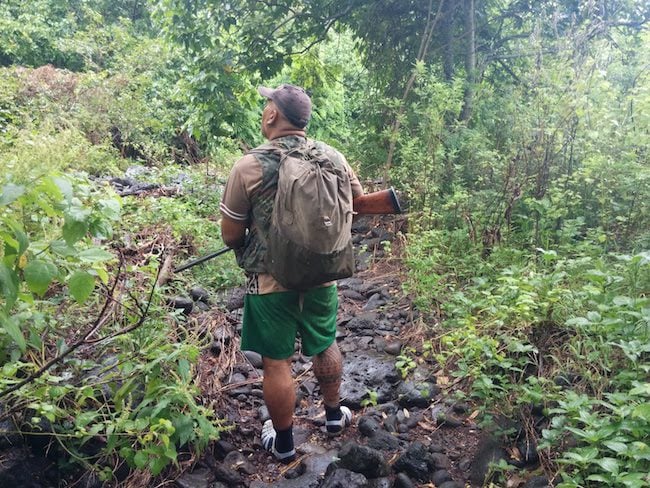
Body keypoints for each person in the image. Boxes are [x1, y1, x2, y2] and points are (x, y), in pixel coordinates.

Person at [220, 84, 364, 462]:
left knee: (277, 361)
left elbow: (230, 234)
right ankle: (334, 417)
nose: (265, 109)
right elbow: (358, 204)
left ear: (272, 115)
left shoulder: (249, 165)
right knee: (325, 342)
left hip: (270, 283)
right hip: (323, 275)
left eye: (267, 104)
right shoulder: (333, 156)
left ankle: (284, 442)